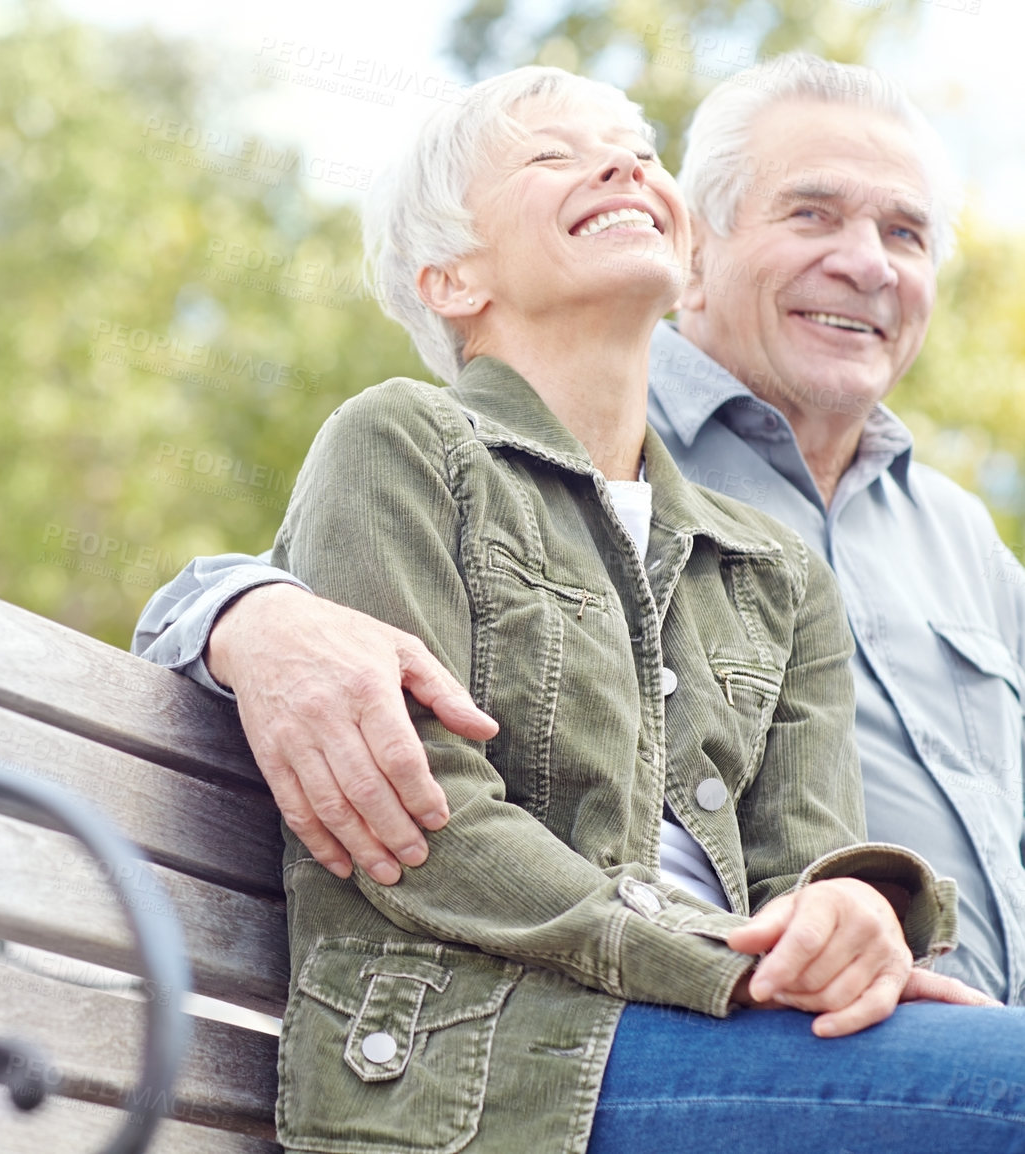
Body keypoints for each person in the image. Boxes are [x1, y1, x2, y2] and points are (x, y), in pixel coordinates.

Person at [241, 62, 1020, 1154]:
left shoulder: (777, 567)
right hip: (498, 1065)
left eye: (635, 151)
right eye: (553, 155)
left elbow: (809, 860)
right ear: (451, 278)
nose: (622, 165)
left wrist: (849, 919)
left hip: (727, 1031)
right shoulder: (402, 442)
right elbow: (429, 829)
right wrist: (730, 963)